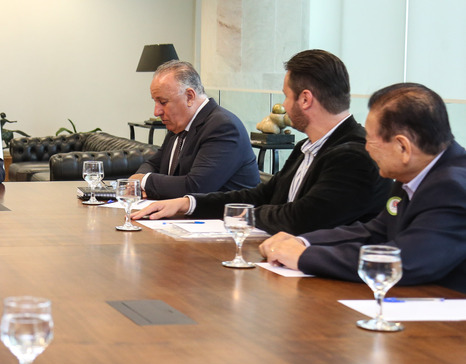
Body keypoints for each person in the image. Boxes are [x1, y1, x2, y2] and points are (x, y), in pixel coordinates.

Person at [132, 49, 390, 235]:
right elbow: (264, 195)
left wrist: (238, 216)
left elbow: (301, 219)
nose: (284, 106)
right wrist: (188, 204)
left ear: (306, 99)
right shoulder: (306, 146)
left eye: (286, 96)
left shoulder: (354, 154)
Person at [260, 83, 466, 291]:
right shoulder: (415, 172)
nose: (366, 148)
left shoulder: (453, 187)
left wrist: (306, 257)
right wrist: (303, 242)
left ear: (402, 147)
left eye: (371, 140)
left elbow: (407, 260)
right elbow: (376, 231)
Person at [130, 61, 260, 199]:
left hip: (226, 218)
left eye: (163, 102)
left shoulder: (223, 127)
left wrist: (143, 181)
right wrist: (137, 182)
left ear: (190, 96)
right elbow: (153, 164)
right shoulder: (179, 125)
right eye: (155, 102)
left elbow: (196, 187)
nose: (156, 112)